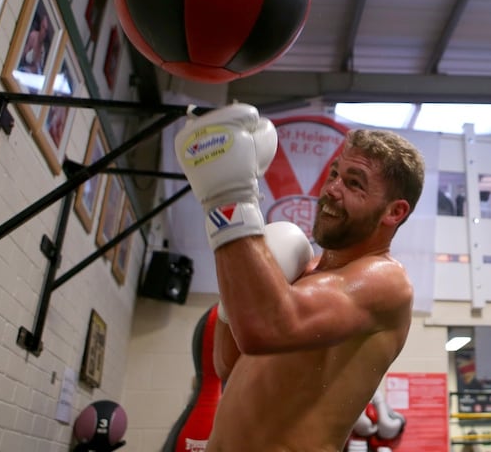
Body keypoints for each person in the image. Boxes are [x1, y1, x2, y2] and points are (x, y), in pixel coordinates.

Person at [174, 103, 425, 452]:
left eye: (354, 184)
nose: (332, 189)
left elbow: (268, 327)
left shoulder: (386, 281)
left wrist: (228, 196)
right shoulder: (300, 270)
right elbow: (228, 365)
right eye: (334, 173)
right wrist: (240, 293)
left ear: (394, 212)